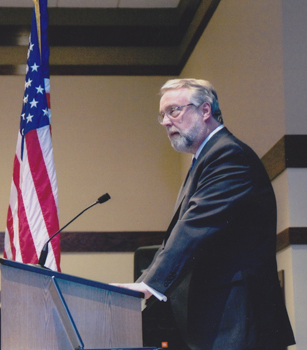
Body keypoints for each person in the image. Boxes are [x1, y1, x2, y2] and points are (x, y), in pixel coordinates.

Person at [113, 79, 295, 350]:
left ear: (205, 110)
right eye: (162, 114)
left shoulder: (228, 155)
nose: (165, 122)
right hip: (218, 321)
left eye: (174, 110)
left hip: (237, 321)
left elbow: (195, 226)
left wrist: (149, 286)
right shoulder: (207, 158)